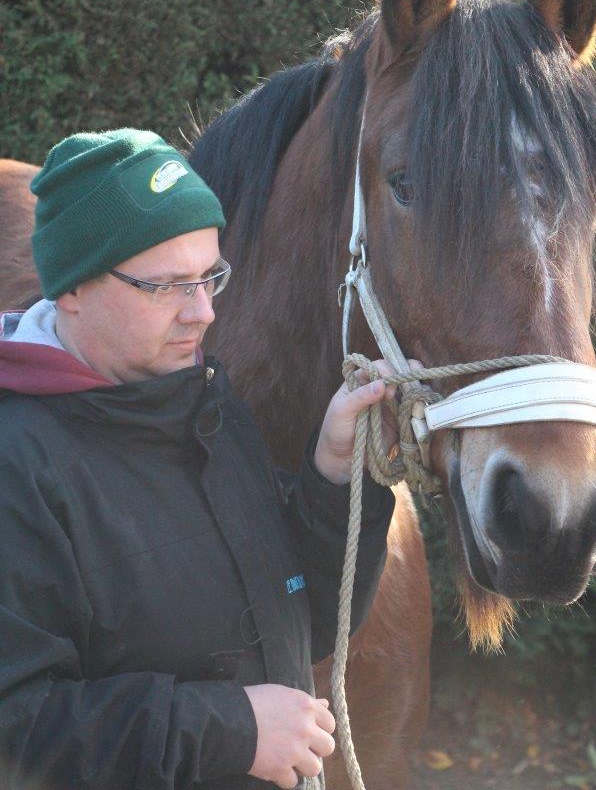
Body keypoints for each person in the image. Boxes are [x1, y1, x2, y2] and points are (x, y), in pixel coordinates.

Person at [0, 129, 399, 790]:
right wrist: (233, 731)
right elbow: (17, 730)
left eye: (211, 276)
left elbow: (305, 622)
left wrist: (331, 474)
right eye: (168, 287)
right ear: (72, 286)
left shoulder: (207, 404)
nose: (205, 312)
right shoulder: (18, 466)